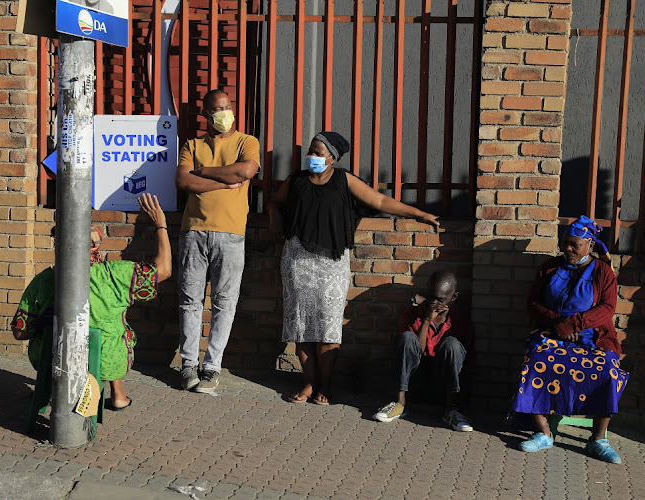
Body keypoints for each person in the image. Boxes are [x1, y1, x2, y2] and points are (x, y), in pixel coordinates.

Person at [267, 131, 440, 406]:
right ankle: (309, 383)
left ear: (332, 158)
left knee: (327, 327)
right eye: (310, 151)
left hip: (332, 263)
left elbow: (381, 202)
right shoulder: (296, 180)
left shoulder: (343, 180)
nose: (311, 156)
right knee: (300, 325)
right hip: (296, 262)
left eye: (318, 153)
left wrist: (420, 214)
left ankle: (326, 384)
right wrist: (275, 215)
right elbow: (276, 202)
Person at [11, 193, 171, 410]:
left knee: (55, 330)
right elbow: (164, 270)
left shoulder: (43, 281)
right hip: (104, 364)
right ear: (96, 246)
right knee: (114, 327)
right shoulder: (115, 276)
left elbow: (20, 333)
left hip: (50, 361)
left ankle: (48, 388)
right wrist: (161, 225)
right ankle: (118, 394)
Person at [509, 215, 629, 464]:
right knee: (537, 361)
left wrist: (574, 324)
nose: (568, 249)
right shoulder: (549, 267)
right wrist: (557, 323)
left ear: (590, 245)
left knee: (607, 371)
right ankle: (543, 432)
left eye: (575, 244)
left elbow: (607, 308)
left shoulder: (603, 272)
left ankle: (598, 439)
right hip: (553, 333)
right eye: (565, 242)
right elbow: (532, 304)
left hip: (593, 338)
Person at [174, 89, 260, 393]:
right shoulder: (192, 144)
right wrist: (225, 181)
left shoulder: (246, 142)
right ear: (206, 114)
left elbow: (246, 169)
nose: (224, 114)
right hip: (194, 231)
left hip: (232, 234)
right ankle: (188, 365)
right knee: (190, 300)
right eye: (216, 109)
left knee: (224, 303)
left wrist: (205, 173)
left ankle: (211, 368)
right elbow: (183, 181)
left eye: (227, 107)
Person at [373, 270, 475, 431]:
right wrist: (427, 319)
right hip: (414, 381)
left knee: (452, 344)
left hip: (443, 385)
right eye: (431, 297)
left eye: (441, 300)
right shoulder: (411, 315)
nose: (434, 303)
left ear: (454, 297)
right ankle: (400, 404)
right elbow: (413, 352)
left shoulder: (461, 324)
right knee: (407, 338)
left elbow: (465, 368)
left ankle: (451, 411)